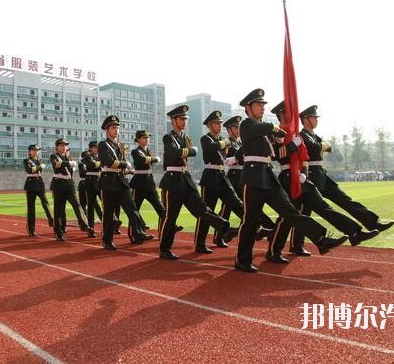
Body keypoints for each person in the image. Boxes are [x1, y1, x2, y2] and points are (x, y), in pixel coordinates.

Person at [235, 89, 346, 272]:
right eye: (258, 105)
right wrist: (274, 129)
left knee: (290, 211)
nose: (263, 108)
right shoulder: (246, 125)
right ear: (248, 107)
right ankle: (242, 259)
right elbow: (254, 136)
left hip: (268, 176)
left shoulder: (263, 127)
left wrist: (289, 141)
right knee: (251, 220)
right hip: (253, 176)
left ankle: (320, 238)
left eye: (263, 105)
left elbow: (274, 148)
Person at [267, 101, 377, 262]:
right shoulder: (277, 133)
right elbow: (279, 155)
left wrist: (303, 173)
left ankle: (353, 232)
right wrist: (292, 145)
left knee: (324, 207)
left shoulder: (295, 133)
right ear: (282, 114)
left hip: (302, 177)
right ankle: (273, 250)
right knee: (287, 217)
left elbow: (305, 157)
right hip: (288, 176)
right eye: (289, 112)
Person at [292, 105, 394, 253]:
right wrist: (322, 146)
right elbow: (315, 149)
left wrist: (322, 146)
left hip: (321, 173)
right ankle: (297, 245)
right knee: (306, 210)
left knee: (345, 200)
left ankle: (372, 222)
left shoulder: (314, 136)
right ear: (305, 120)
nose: (316, 120)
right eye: (314, 118)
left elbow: (329, 148)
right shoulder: (302, 135)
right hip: (311, 174)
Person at [159, 105, 237, 260]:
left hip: (185, 179)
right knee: (171, 216)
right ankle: (164, 248)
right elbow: (174, 153)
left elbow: (182, 153)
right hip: (172, 180)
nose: (185, 121)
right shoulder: (168, 137)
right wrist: (191, 150)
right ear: (173, 120)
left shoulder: (185, 139)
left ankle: (224, 227)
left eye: (185, 119)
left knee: (202, 209)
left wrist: (188, 150)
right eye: (181, 119)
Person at [194, 111, 273, 254]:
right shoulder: (205, 138)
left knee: (237, 204)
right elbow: (211, 148)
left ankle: (257, 229)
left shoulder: (225, 140)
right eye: (216, 123)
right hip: (210, 177)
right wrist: (225, 143)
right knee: (208, 212)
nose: (219, 125)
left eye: (220, 123)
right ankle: (199, 243)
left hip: (221, 176)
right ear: (209, 125)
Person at [98, 115, 154, 250]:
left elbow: (119, 164)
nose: (116, 130)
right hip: (108, 181)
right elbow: (108, 162)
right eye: (113, 128)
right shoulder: (103, 145)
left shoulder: (120, 145)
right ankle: (107, 240)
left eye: (117, 127)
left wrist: (125, 168)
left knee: (131, 207)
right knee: (109, 213)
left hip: (121, 181)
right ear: (107, 130)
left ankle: (139, 233)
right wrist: (126, 164)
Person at [49, 138, 95, 241]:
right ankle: (59, 232)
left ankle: (85, 225)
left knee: (77, 204)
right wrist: (69, 163)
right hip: (59, 184)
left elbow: (69, 168)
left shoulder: (68, 157)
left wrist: (69, 163)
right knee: (59, 209)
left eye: (65, 145)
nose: (63, 147)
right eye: (61, 145)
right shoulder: (54, 156)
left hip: (69, 184)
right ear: (57, 147)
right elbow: (56, 165)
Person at [23, 144, 53, 237]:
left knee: (45, 202)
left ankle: (52, 221)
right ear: (29, 151)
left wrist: (38, 167)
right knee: (31, 208)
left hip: (40, 182)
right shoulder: (26, 161)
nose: (36, 152)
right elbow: (29, 170)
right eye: (34, 150)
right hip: (31, 183)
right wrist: (40, 167)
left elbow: (36, 170)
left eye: (37, 150)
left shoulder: (40, 160)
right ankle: (31, 229)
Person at [79, 148, 103, 223]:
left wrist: (94, 167)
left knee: (96, 204)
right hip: (84, 184)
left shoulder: (95, 160)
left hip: (94, 182)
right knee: (83, 204)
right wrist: (91, 169)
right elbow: (82, 174)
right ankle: (84, 221)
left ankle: (101, 218)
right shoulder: (82, 163)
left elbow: (99, 168)